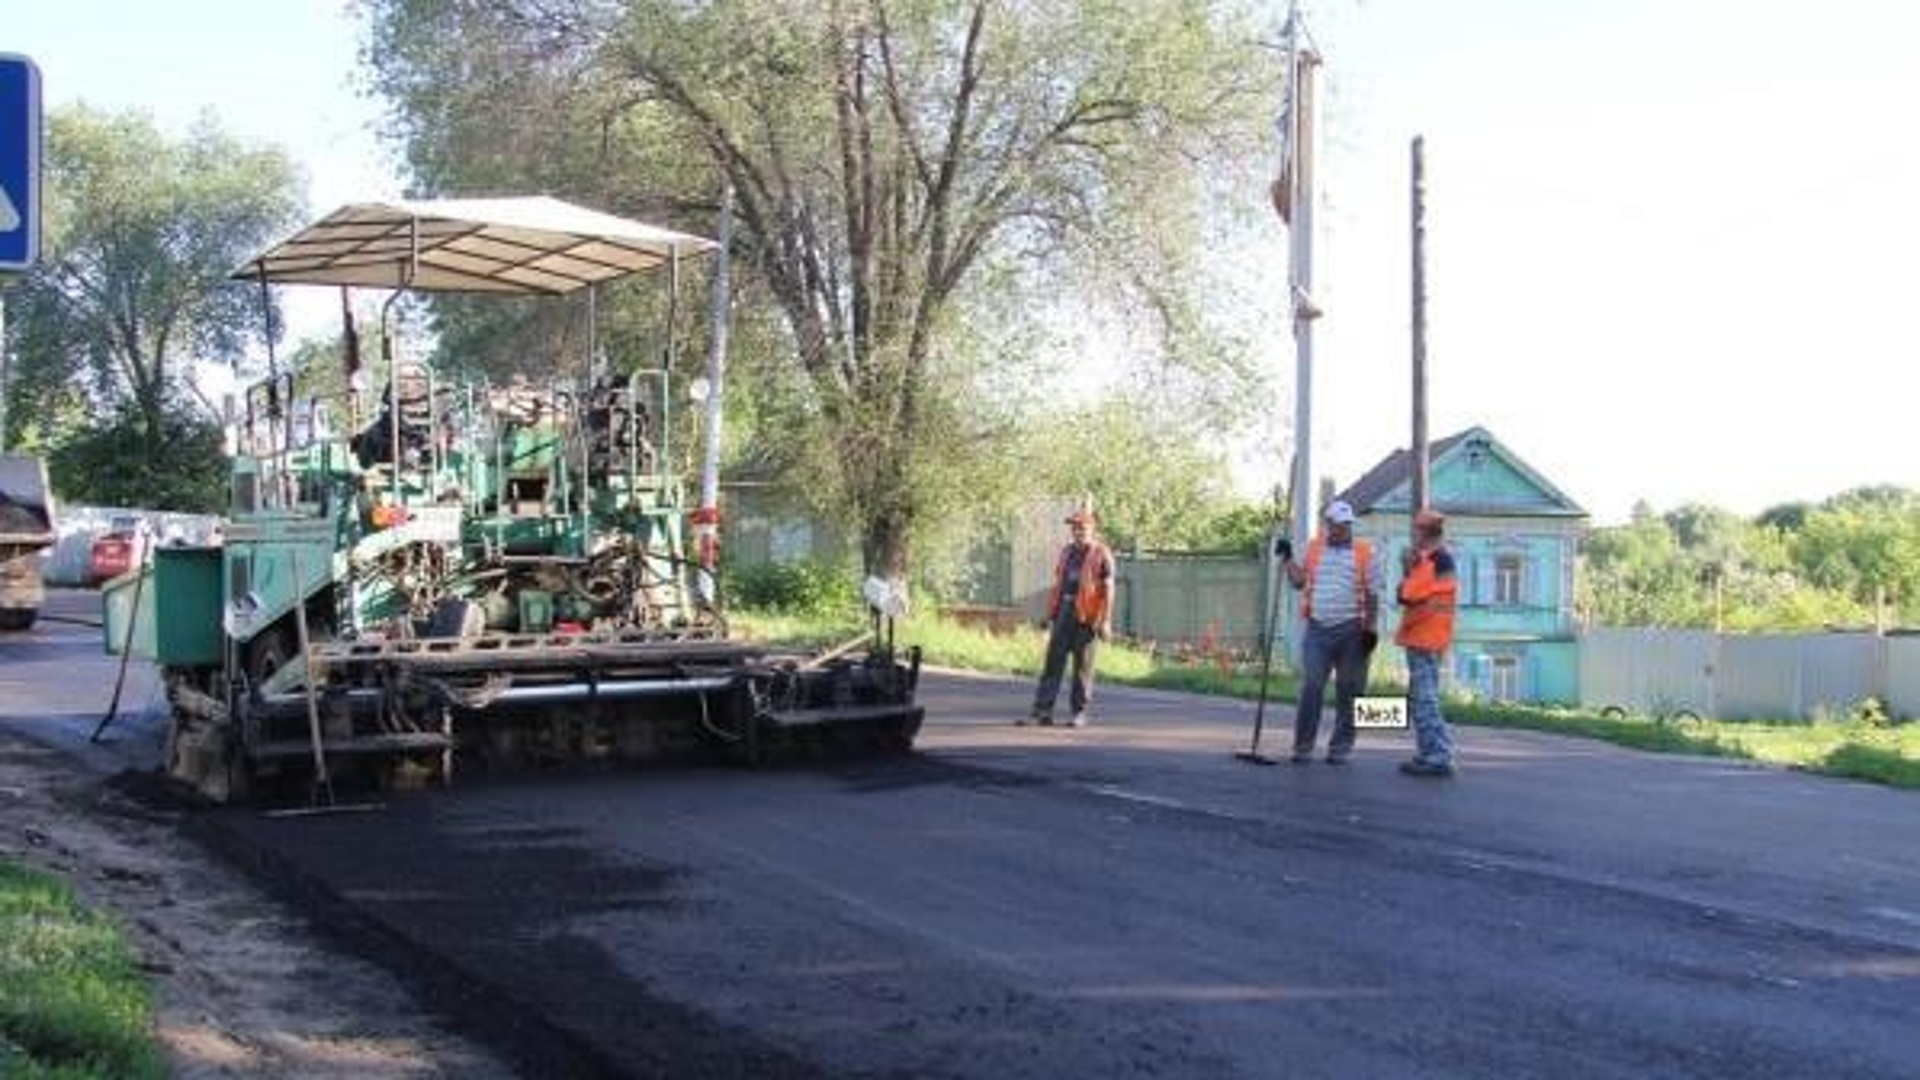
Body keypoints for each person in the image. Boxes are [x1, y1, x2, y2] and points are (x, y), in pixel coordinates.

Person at [1279, 500, 1385, 763]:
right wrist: (1287, 558)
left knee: (1351, 689)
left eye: (1346, 526)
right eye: (1337, 526)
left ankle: (1340, 748)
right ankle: (1302, 747)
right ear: (1328, 525)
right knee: (1311, 686)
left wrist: (1370, 629)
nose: (1342, 530)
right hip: (1318, 628)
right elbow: (1298, 582)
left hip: (1352, 630)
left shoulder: (1365, 552)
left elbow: (1373, 594)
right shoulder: (1315, 548)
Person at [1025, 509, 1115, 728]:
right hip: (1064, 610)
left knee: (1083, 667)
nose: (1077, 531)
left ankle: (1079, 713)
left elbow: (1109, 589)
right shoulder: (1067, 552)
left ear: (1092, 529)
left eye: (1081, 527)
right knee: (1053, 664)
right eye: (1074, 527)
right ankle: (1043, 711)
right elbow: (1059, 585)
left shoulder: (1102, 553)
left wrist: (1105, 620)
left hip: (1088, 616)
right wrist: (1050, 615)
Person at [1396, 508, 1459, 776]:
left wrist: (1407, 568)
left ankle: (1438, 755)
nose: (1414, 536)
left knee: (1425, 699)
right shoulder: (1437, 560)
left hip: (1425, 636)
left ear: (1425, 532)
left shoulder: (1433, 561)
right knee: (1422, 697)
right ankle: (1428, 752)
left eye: (1416, 531)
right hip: (1428, 636)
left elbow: (1407, 594)